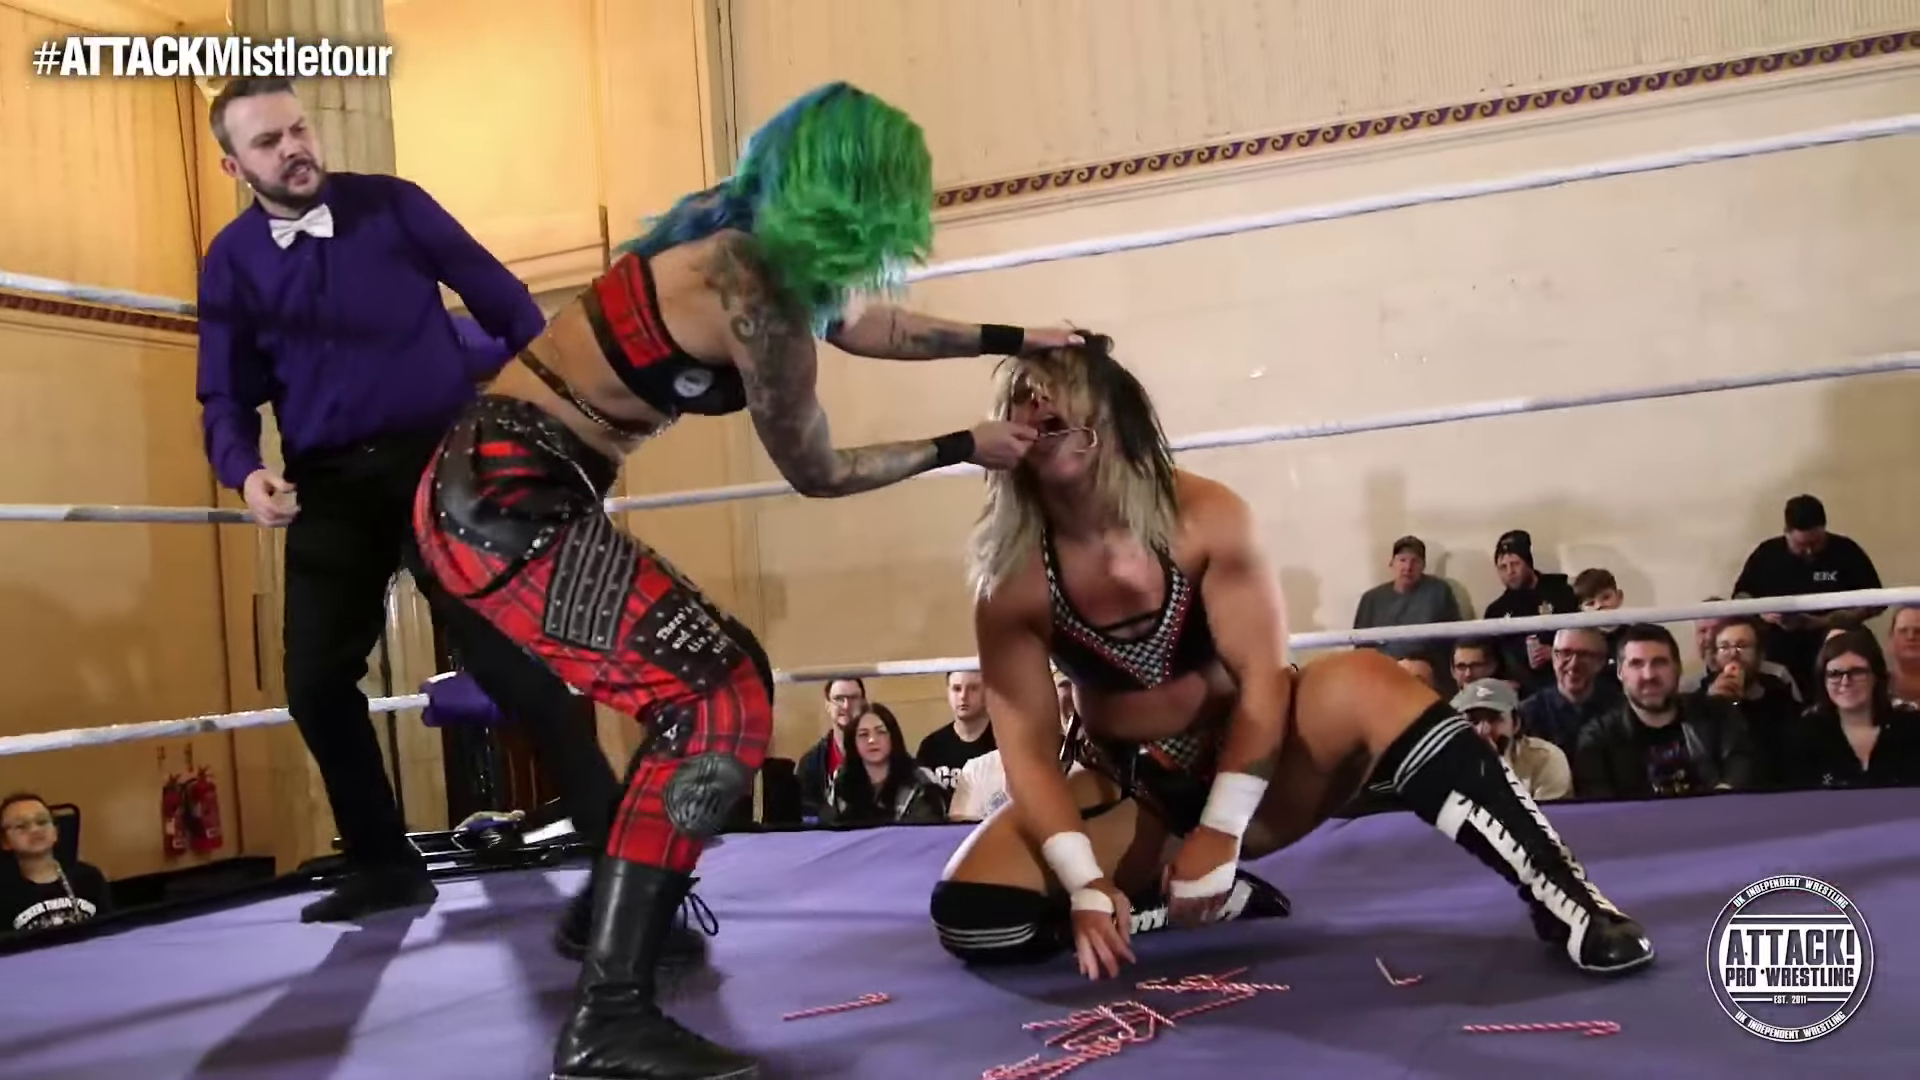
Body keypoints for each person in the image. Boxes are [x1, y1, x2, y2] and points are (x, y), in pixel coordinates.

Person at [410, 81, 1074, 1080]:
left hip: (500, 486)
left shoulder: (735, 236)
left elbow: (866, 326)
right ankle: (608, 1019)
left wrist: (1012, 340)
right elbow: (820, 471)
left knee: (727, 676)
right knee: (718, 697)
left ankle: (608, 916)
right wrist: (962, 446)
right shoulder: (754, 299)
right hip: (503, 501)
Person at [928, 336, 1654, 985]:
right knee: (975, 914)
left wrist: (1222, 829)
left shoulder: (1202, 516)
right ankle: (1166, 903)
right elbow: (1027, 752)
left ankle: (1568, 897)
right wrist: (1085, 881)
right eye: (1024, 402)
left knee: (1366, 682)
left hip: (1264, 769)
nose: (1040, 412)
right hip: (1138, 792)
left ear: (1110, 417)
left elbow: (1263, 681)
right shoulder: (1012, 578)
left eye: (1059, 397)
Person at [194, 77, 624, 928]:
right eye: (269, 141)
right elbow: (223, 394)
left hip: (441, 462)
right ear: (234, 166)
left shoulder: (393, 204)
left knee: (510, 664)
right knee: (315, 684)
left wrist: (554, 408)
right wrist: (244, 472)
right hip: (327, 486)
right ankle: (387, 864)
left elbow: (503, 299)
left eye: (298, 128)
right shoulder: (231, 260)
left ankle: (629, 864)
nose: (294, 148)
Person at [0, 794, 112, 935]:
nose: (35, 830)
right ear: (5, 841)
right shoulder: (4, 891)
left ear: (55, 832)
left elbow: (112, 932)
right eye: (21, 826)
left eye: (42, 822)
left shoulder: (89, 877)